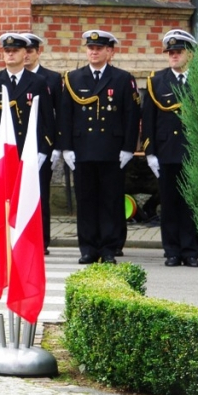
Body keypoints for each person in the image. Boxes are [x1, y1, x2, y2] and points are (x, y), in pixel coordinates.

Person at [56, 30, 139, 265]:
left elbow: (131, 115)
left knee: (111, 201)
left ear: (109, 52)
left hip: (112, 150)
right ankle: (88, 248)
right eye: (90, 48)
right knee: (86, 200)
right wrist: (66, 147)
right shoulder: (73, 78)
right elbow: (65, 115)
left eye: (99, 48)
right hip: (82, 149)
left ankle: (109, 248)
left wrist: (128, 148)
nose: (93, 52)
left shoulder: (122, 78)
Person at [142, 29, 198, 268]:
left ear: (190, 54)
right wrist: (150, 152)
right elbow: (148, 119)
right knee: (168, 203)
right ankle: (171, 251)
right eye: (170, 53)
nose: (173, 56)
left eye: (178, 52)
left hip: (194, 152)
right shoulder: (157, 81)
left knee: (191, 203)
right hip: (166, 151)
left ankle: (191, 250)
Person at [0, 33, 56, 196]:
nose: (10, 54)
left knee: (32, 197)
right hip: (2, 146)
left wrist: (44, 149)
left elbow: (48, 119)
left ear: (24, 53)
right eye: (7, 50)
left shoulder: (38, 81)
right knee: (5, 197)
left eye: (15, 50)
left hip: (30, 146)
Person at [23, 33, 63, 254]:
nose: (27, 55)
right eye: (24, 51)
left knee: (40, 195)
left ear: (39, 52)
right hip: (19, 146)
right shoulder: (12, 77)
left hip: (41, 144)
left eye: (31, 51)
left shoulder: (52, 78)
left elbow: (58, 114)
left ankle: (41, 240)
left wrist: (55, 146)